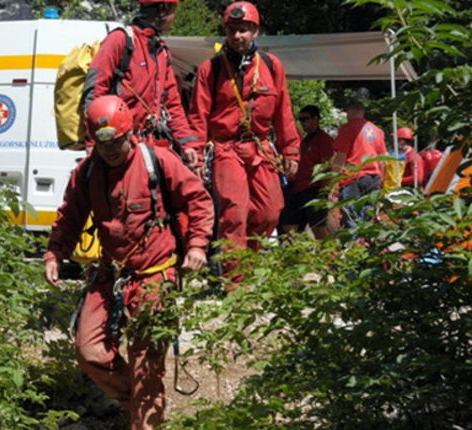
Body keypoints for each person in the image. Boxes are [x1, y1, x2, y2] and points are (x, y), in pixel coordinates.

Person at [44, 95, 213, 429]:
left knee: (146, 363)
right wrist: (55, 253)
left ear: (129, 134)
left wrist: (197, 245)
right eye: (102, 145)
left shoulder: (158, 162)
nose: (109, 151)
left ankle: (145, 416)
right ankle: (138, 402)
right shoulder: (88, 170)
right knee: (88, 350)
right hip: (111, 273)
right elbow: (69, 217)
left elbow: (199, 200)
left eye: (116, 143)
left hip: (155, 274)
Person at [181, 1, 300, 286]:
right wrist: (195, 156)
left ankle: (249, 263)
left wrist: (291, 150)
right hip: (226, 150)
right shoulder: (210, 69)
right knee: (234, 215)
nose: (238, 36)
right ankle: (237, 285)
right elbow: (197, 115)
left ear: (255, 31)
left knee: (270, 211)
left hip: (260, 149)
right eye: (233, 30)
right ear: (226, 30)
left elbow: (284, 111)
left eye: (244, 30)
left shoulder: (272, 66)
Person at [82, 0, 191, 152]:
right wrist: (92, 143)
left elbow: (172, 104)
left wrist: (187, 144)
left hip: (149, 145)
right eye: (173, 9)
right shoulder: (120, 40)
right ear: (163, 9)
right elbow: (94, 93)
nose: (175, 15)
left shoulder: (161, 51)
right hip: (118, 146)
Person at [280, 105, 334, 239]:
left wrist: (324, 192)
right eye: (300, 119)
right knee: (289, 226)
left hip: (314, 189)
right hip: (298, 189)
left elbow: (329, 168)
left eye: (306, 119)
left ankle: (330, 257)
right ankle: (300, 255)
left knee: (318, 227)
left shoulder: (324, 140)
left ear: (316, 119)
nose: (303, 123)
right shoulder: (305, 141)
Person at [331, 100, 387, 227]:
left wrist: (333, 183)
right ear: (363, 112)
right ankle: (366, 244)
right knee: (368, 217)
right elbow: (383, 160)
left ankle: (355, 245)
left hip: (353, 179)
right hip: (373, 179)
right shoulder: (377, 130)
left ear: (350, 112)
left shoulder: (347, 128)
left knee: (352, 218)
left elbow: (340, 157)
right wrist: (381, 181)